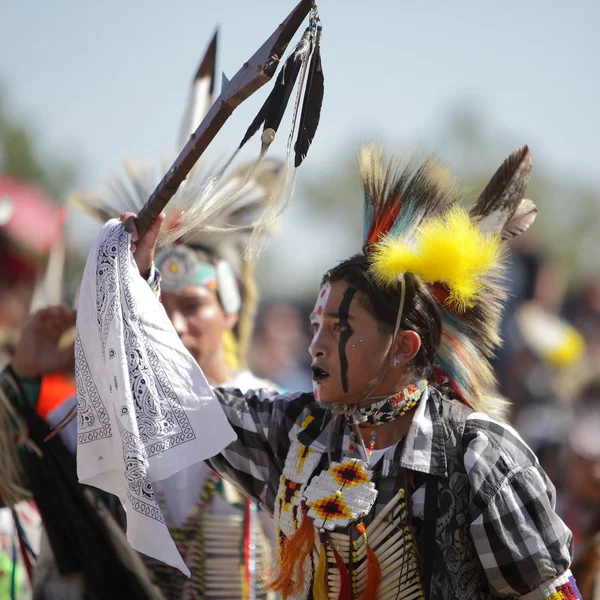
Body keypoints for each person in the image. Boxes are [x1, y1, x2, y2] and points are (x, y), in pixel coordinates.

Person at [114, 144, 582, 599]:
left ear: (402, 347)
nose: (315, 345)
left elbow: (551, 593)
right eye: (316, 326)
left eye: (340, 329)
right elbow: (165, 392)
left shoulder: (478, 457)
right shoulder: (296, 434)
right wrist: (136, 282)